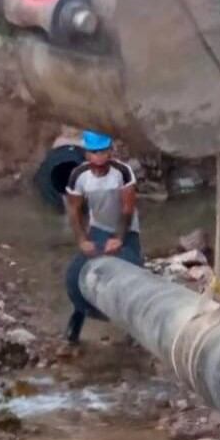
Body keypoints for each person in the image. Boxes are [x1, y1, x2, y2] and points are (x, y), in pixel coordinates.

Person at [62, 130, 144, 344]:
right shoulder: (78, 176)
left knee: (134, 277)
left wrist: (119, 237)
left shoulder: (122, 172)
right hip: (98, 227)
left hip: (126, 228)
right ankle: (74, 327)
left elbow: (128, 208)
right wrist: (82, 240)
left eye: (103, 152)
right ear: (87, 154)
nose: (99, 157)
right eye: (94, 153)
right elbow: (74, 211)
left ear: (110, 152)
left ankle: (133, 332)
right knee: (82, 274)